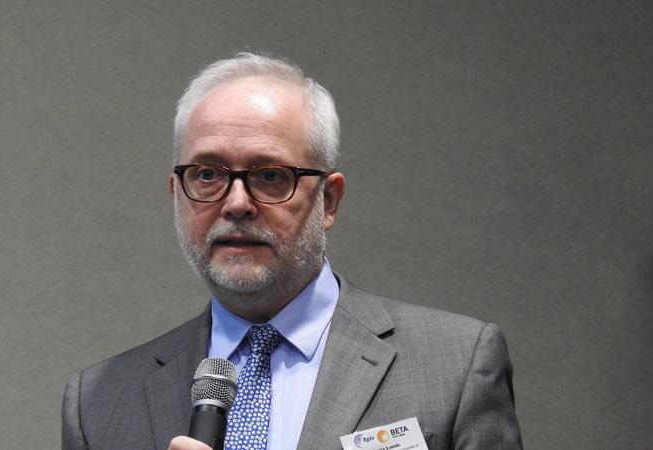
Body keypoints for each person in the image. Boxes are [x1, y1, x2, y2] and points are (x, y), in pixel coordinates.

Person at [62, 53, 523, 450]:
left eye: (269, 176)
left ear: (329, 201)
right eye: (207, 174)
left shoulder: (455, 365)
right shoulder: (100, 402)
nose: (236, 203)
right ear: (177, 195)